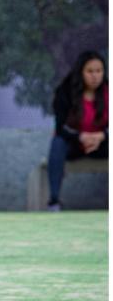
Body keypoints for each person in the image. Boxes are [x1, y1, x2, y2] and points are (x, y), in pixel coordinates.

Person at [47, 50, 109, 211]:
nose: (95, 76)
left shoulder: (108, 91)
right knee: (57, 143)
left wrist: (102, 136)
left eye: (99, 71)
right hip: (74, 144)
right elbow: (61, 127)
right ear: (80, 72)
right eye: (90, 71)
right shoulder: (64, 92)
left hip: (102, 143)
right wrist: (81, 137)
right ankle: (54, 201)